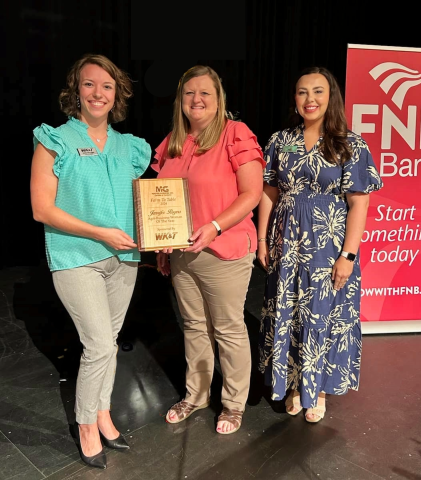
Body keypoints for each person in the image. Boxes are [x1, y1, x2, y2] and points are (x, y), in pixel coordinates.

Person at [30, 53, 151, 468]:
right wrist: (100, 232)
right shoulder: (55, 139)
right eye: (89, 84)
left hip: (125, 258)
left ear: (116, 94)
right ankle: (85, 423)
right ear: (75, 91)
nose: (98, 93)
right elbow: (42, 209)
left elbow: (140, 203)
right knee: (98, 343)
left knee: (109, 343)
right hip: (76, 255)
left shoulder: (130, 147)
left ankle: (102, 411)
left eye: (107, 86)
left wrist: (158, 231)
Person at [257, 66, 383, 423]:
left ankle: (320, 390)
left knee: (324, 315)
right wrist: (263, 238)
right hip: (286, 244)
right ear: (294, 99)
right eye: (301, 92)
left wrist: (348, 255)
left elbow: (359, 202)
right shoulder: (280, 140)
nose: (309, 99)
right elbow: (269, 192)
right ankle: (294, 385)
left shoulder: (349, 143)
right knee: (290, 312)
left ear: (331, 98)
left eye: (317, 91)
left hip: (329, 247)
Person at [153, 65, 265, 435]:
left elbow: (251, 195)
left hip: (225, 250)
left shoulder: (235, 134)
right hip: (183, 253)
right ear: (180, 100)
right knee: (194, 327)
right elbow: (161, 204)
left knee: (228, 328)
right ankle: (196, 394)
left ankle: (233, 404)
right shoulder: (173, 141)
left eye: (205, 93)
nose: (196, 99)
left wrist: (214, 226)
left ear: (219, 100)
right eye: (189, 93)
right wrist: (161, 245)